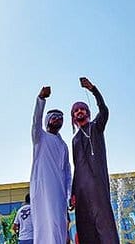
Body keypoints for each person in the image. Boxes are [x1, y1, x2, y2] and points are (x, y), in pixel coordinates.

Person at [70, 77, 119, 243]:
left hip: (97, 184)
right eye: (76, 111)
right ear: (73, 117)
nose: (79, 112)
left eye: (82, 109)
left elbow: (104, 110)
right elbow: (76, 166)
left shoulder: (96, 127)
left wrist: (93, 89)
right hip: (82, 190)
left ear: (87, 112)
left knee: (104, 222)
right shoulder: (75, 139)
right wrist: (73, 192)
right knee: (85, 226)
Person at [30, 86, 72, 243]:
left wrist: (69, 194)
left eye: (61, 118)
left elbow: (67, 172)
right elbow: (35, 121)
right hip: (42, 189)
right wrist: (41, 99)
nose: (58, 120)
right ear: (47, 120)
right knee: (44, 225)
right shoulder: (40, 137)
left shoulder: (63, 145)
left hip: (59, 192)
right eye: (54, 117)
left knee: (59, 225)